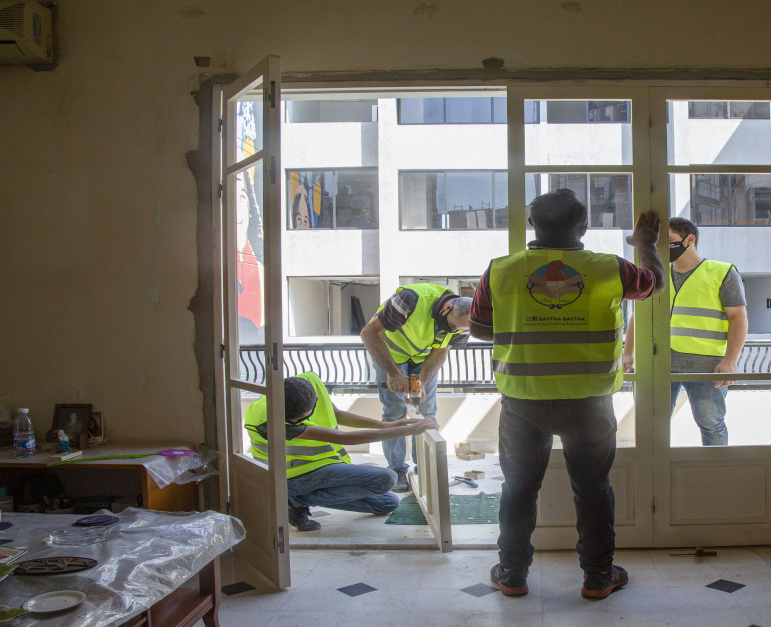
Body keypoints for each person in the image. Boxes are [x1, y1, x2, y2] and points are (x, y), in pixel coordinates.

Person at [469, 188, 665, 599]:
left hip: (523, 401)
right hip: (589, 402)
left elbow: (479, 328)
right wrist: (646, 243)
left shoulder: (500, 270)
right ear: (584, 228)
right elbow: (655, 283)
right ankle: (598, 576)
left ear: (532, 225)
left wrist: (528, 320)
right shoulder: (610, 268)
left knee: (518, 488)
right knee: (593, 489)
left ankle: (512, 574)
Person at [243, 371, 437, 531]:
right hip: (291, 477)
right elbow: (344, 438)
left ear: (316, 399)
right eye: (296, 420)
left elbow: (337, 414)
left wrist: (386, 425)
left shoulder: (309, 382)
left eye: (302, 418)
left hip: (322, 467)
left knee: (388, 503)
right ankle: (294, 498)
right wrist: (407, 430)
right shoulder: (270, 420)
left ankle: (300, 497)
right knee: (386, 478)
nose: (299, 422)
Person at [622, 217, 748, 446]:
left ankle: (716, 466)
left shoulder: (722, 272)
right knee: (651, 424)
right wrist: (627, 352)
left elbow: (738, 317)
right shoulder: (655, 274)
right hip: (658, 362)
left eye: (669, 240)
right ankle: (656, 468)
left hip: (707, 365)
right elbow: (639, 315)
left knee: (711, 423)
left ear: (690, 240)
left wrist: (731, 360)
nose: (663, 247)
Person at [360, 284, 471, 492]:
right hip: (390, 354)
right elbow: (368, 333)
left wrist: (422, 383)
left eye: (459, 329)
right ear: (446, 308)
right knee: (394, 412)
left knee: (426, 411)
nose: (454, 331)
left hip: (422, 358)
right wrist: (393, 374)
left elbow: (441, 352)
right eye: (452, 325)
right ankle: (396, 470)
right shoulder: (411, 299)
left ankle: (425, 466)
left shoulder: (463, 324)